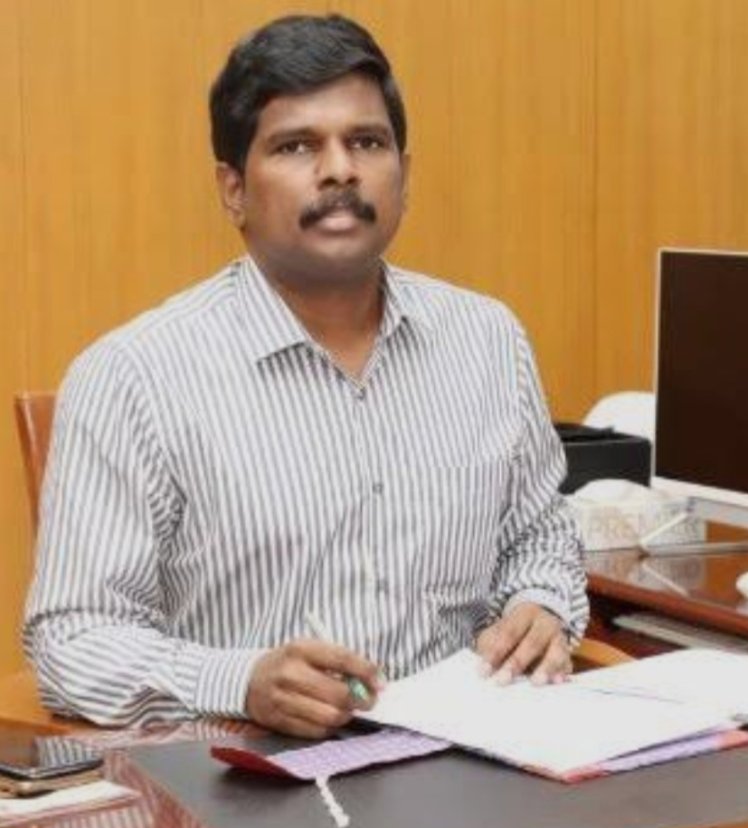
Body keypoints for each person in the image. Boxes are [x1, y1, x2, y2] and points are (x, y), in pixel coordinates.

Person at [24, 13, 587, 737]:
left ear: (405, 175)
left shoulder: (487, 340)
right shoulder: (133, 377)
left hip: (465, 756)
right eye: (296, 146)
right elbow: (73, 637)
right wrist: (241, 681)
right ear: (233, 189)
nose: (340, 170)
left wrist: (539, 604)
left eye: (367, 142)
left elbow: (539, 535)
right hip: (251, 769)